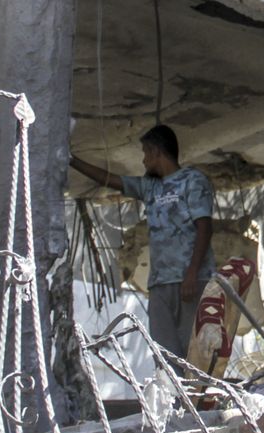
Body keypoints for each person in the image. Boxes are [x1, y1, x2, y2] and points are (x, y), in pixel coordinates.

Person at [71, 125, 215, 358]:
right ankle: (173, 395)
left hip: (191, 280)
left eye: (146, 153)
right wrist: (72, 161)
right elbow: (110, 179)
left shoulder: (193, 180)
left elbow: (205, 228)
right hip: (159, 283)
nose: (144, 160)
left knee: (195, 351)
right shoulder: (151, 188)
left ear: (157, 151)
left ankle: (198, 395)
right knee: (164, 354)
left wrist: (192, 272)